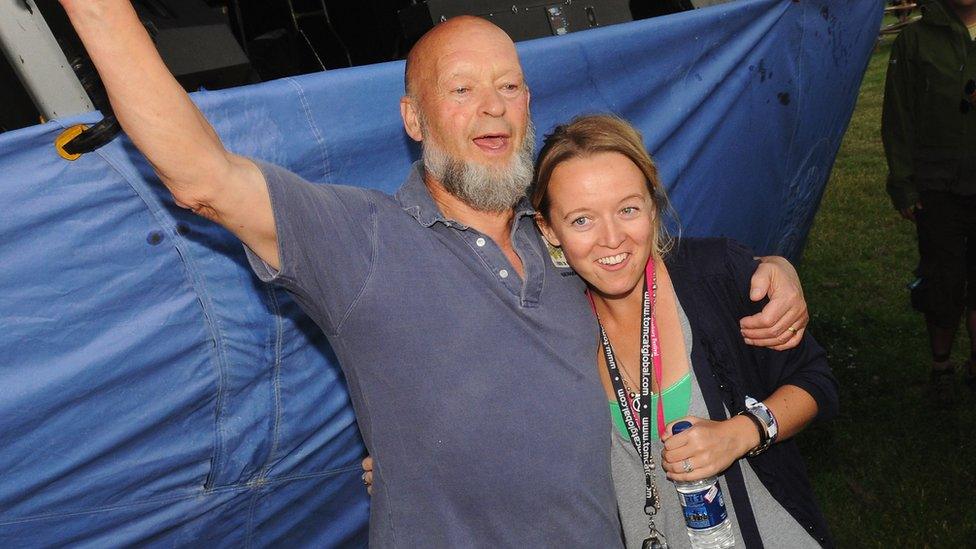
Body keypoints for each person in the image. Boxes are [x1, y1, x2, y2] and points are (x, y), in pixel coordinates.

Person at [60, 3, 810, 545]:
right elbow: (205, 178)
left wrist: (768, 270)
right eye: (461, 89)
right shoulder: (362, 239)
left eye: (509, 86)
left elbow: (648, 261)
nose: (493, 108)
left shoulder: (559, 240)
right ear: (413, 119)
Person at [528, 115, 837, 548]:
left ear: (652, 208)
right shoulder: (549, 328)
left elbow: (815, 379)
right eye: (582, 220)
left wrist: (742, 432)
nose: (612, 238)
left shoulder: (716, 275)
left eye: (628, 209)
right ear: (548, 229)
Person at [882, 0, 976, 385]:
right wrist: (903, 184)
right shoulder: (915, 40)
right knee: (944, 277)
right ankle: (941, 364)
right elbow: (898, 115)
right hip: (938, 186)